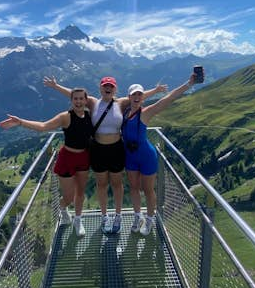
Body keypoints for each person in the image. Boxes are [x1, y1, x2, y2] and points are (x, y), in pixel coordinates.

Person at [44, 76, 167, 234]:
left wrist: (155, 91)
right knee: (101, 184)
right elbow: (75, 95)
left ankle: (118, 215)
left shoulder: (121, 102)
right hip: (98, 149)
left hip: (116, 148)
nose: (108, 88)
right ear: (100, 88)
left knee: (117, 184)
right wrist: (56, 86)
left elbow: (138, 98)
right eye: (105, 86)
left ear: (115, 89)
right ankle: (104, 216)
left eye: (111, 86)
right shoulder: (93, 102)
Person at [0, 87, 93, 237]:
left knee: (80, 193)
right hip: (67, 158)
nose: (79, 101)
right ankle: (63, 208)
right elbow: (43, 127)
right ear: (71, 100)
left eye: (81, 98)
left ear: (86, 100)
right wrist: (20, 122)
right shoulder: (65, 117)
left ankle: (78, 220)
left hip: (84, 158)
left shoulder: (89, 116)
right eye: (76, 98)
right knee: (69, 197)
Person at [123, 70, 201, 236]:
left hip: (146, 157)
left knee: (148, 190)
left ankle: (150, 219)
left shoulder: (146, 112)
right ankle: (138, 217)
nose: (136, 97)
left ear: (143, 97)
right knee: (134, 188)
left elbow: (168, 99)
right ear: (129, 97)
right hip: (130, 156)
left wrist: (189, 84)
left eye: (139, 95)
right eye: (133, 95)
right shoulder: (124, 113)